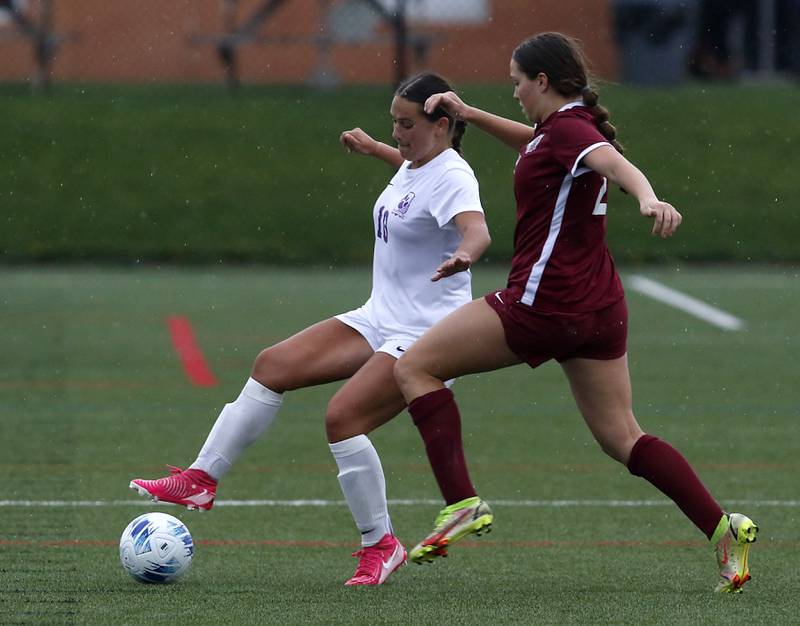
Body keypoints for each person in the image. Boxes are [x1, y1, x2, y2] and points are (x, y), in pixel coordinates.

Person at [392, 32, 758, 594]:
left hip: (546, 303)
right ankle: (721, 527)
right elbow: (537, 143)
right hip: (598, 306)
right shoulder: (557, 130)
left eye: (517, 81)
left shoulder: (569, 130)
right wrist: (468, 112)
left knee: (414, 368)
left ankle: (461, 503)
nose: (512, 91)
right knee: (622, 437)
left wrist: (647, 196)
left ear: (542, 81)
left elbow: (612, 162)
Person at [129, 72, 491, 587]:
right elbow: (416, 184)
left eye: (405, 124)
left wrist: (464, 255)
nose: (395, 133)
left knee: (342, 419)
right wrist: (376, 152)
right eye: (392, 122)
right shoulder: (417, 163)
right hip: (379, 316)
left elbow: (476, 228)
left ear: (442, 125)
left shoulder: (453, 175)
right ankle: (199, 480)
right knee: (272, 365)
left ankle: (380, 545)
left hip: (427, 336)